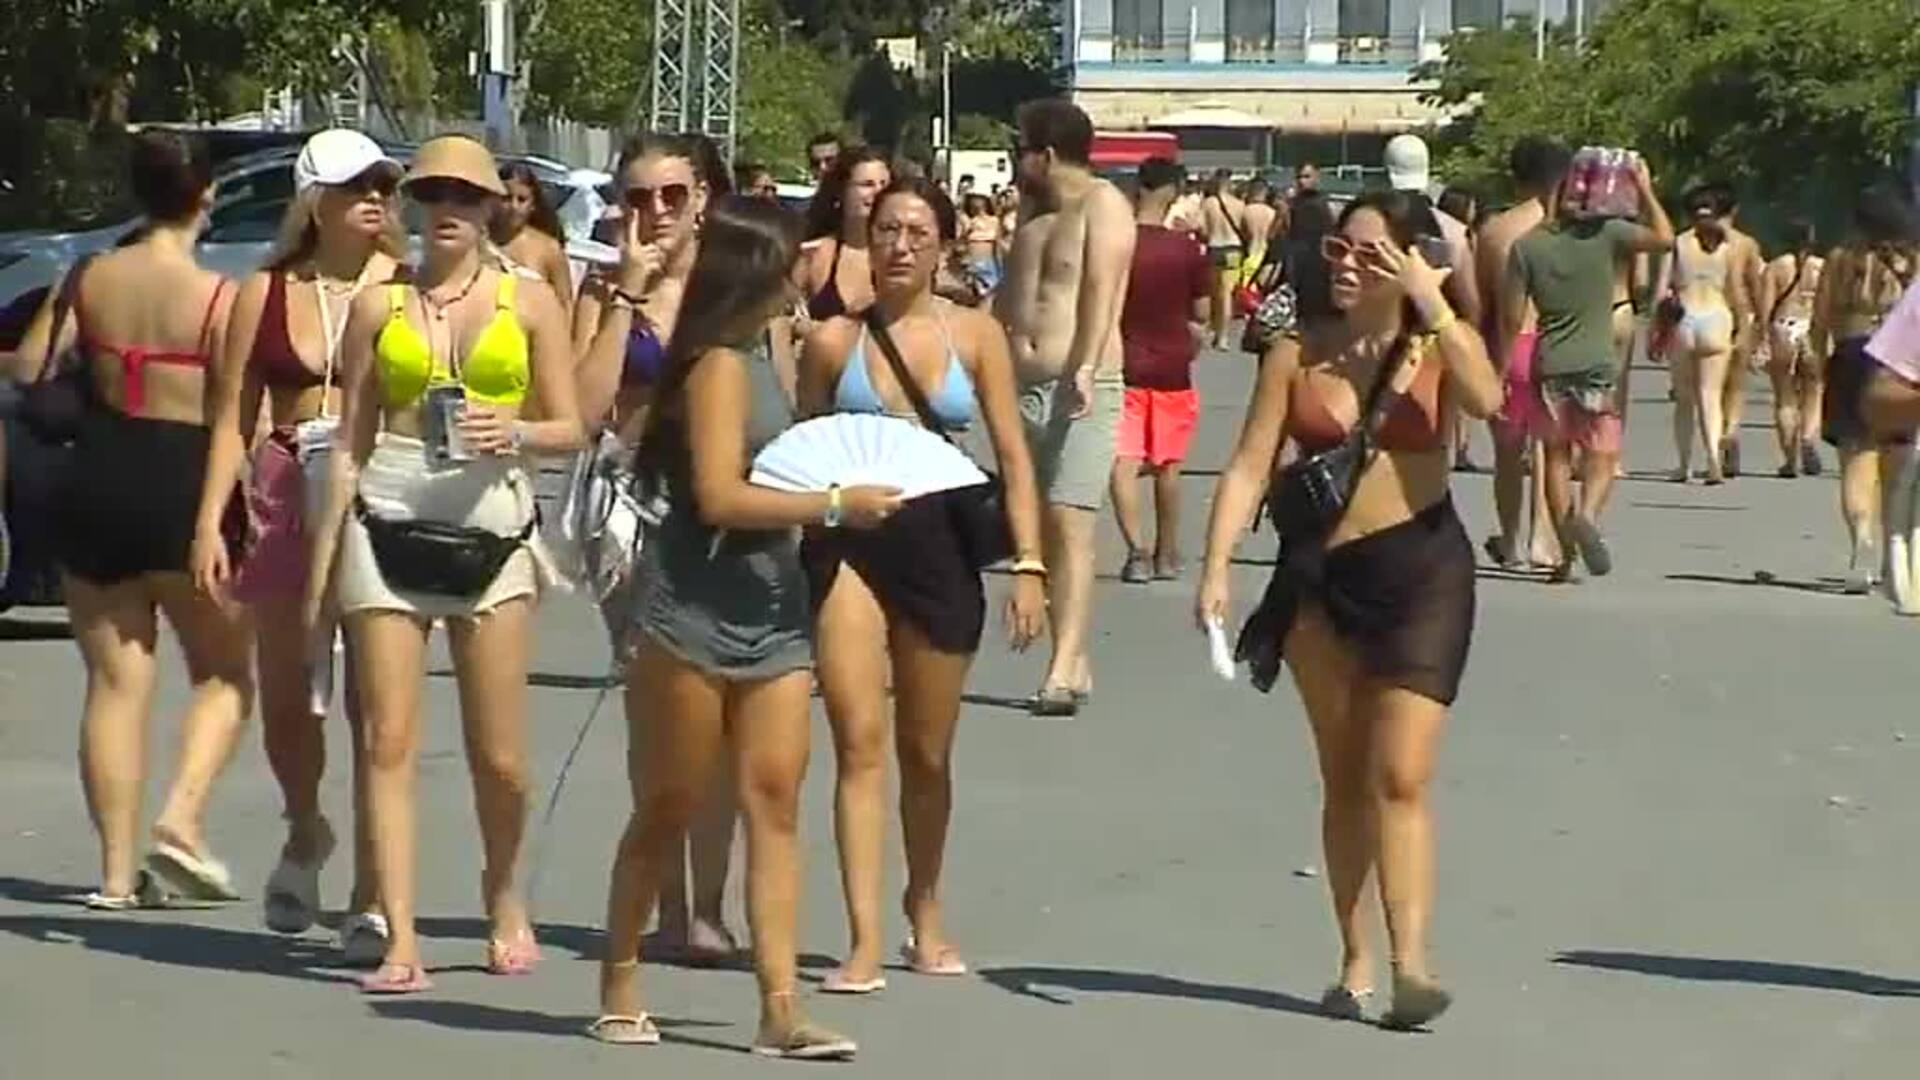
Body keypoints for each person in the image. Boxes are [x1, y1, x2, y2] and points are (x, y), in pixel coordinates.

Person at [589, 195, 901, 1056]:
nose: (806, 270)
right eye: (793, 257)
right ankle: (620, 980)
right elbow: (721, 495)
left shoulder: (768, 352)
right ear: (760, 266)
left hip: (773, 609)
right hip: (691, 610)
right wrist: (834, 505)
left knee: (774, 803)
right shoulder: (719, 365)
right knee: (670, 802)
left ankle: (779, 1008)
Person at [1196, 190, 1503, 1030]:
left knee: (1401, 775)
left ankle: (1412, 965)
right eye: (1339, 248)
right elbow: (1250, 461)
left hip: (1423, 573)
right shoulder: (1298, 349)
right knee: (1345, 777)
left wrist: (1434, 301)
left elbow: (1488, 400)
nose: (1347, 265)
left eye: (1371, 253)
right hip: (1321, 580)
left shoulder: (1435, 343)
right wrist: (1216, 566)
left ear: (1409, 260)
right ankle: (1355, 954)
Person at [303, 134, 586, 993]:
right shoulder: (378, 305)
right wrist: (322, 568)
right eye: (431, 195)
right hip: (386, 506)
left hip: (491, 518)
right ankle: (399, 935)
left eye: (465, 196)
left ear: (494, 205)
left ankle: (504, 897)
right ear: (412, 206)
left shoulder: (528, 300)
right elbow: (349, 440)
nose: (448, 210)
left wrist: (519, 430)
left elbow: (573, 426)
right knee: (386, 740)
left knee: (499, 755)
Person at [797, 176, 1046, 995]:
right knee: (858, 741)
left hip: (941, 543)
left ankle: (924, 905)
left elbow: (1013, 455)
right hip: (853, 543)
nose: (900, 246)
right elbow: (802, 451)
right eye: (886, 230)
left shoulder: (974, 334)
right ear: (866, 240)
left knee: (926, 753)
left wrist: (1030, 565)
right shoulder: (833, 341)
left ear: (943, 244)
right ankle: (864, 938)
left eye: (917, 232)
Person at [12, 130, 252, 908]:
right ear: (207, 195)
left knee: (114, 684)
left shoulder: (89, 277)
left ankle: (115, 876)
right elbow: (232, 416)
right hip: (183, 481)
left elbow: (30, 367)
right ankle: (179, 818)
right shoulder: (218, 298)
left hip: (98, 475)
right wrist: (216, 520)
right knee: (223, 672)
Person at [191, 128, 403, 956]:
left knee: (376, 700)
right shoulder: (268, 290)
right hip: (284, 483)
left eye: (383, 185)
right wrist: (210, 517)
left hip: (378, 483)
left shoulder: (406, 285)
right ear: (316, 202)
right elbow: (229, 416)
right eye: (356, 186)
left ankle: (374, 889)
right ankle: (306, 825)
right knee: (287, 693)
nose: (374, 198)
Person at [574, 131, 747, 962]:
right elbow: (582, 407)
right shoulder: (605, 285)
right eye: (638, 198)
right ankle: (670, 903)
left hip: (723, 505)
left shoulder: (737, 283)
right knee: (657, 712)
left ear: (703, 198)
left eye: (673, 195)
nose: (656, 213)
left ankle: (708, 902)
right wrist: (627, 296)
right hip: (632, 509)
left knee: (723, 715)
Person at [997, 98, 1135, 716]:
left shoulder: (1103, 205)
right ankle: (1073, 655)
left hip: (1081, 383)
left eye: (1020, 148)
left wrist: (1085, 363)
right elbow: (1009, 296)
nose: (1014, 159)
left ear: (1046, 154)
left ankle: (1061, 667)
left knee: (1071, 517)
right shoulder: (1032, 212)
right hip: (1022, 385)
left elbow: (1102, 289)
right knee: (1042, 525)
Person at [1505, 153, 1674, 581]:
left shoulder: (1526, 247)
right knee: (1604, 450)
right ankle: (1588, 516)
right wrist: (1645, 188)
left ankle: (1564, 557)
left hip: (1550, 363)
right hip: (1596, 364)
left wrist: (1502, 365)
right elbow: (1665, 239)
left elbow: (1511, 318)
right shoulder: (1607, 235)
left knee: (1555, 457)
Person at [1810, 187, 1919, 593]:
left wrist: (1819, 362)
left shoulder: (1839, 259)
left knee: (1855, 457)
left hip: (1850, 354)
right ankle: (1894, 555)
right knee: (1896, 465)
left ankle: (1861, 541)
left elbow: (1821, 319)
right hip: (1895, 359)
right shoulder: (1909, 258)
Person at [1110, 157, 1209, 582]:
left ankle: (1137, 552)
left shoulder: (1118, 244)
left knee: (1124, 461)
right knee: (1168, 464)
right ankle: (1167, 553)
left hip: (1123, 362)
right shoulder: (1187, 249)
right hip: (1173, 365)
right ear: (1172, 192)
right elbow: (1200, 313)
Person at [1476, 137, 1571, 570]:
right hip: (1556, 342)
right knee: (1551, 450)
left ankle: (1511, 540)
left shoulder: (1495, 231)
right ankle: (1542, 537)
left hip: (1509, 344)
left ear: (1515, 177)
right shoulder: (1570, 230)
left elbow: (1483, 302)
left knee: (1507, 452)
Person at [1659, 184, 1751, 484]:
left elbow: (1661, 292)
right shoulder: (1728, 247)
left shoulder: (1678, 243)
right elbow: (1736, 292)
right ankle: (1713, 458)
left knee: (1684, 399)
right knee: (1711, 395)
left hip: (1685, 319)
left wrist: (1655, 332)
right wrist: (1744, 328)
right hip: (1716, 318)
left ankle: (1683, 464)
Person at [1762, 221, 1826, 477]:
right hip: (1811, 327)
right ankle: (1808, 437)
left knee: (1784, 397)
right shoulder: (1822, 268)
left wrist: (1761, 339)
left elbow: (1766, 309)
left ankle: (1789, 460)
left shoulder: (1775, 268)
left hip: (1784, 327)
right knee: (1815, 390)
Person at [804, 146, 892, 323]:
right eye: (867, 184)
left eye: (884, 185)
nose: (878, 192)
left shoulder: (902, 253)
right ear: (841, 191)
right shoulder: (813, 254)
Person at [1719, 189, 1770, 477]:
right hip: (1741, 314)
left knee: (1710, 385)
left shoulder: (1692, 241)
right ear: (1734, 210)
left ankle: (1715, 436)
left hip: (1708, 312)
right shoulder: (1746, 244)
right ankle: (1731, 430)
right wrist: (1762, 321)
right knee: (1736, 384)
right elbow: (1755, 284)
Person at [493, 161, 575, 309]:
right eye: (506, 198)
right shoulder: (479, 242)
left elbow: (565, 304)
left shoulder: (549, 250)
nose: (514, 206)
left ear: (533, 205)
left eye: (522, 200)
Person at [1200, 168, 1247, 349]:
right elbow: (1244, 229)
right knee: (1227, 293)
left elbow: (1202, 228)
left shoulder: (1208, 203)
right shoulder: (1239, 204)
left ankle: (1213, 329)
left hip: (1215, 248)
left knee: (1214, 292)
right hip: (1233, 249)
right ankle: (1224, 337)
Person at [959, 193, 1003, 296]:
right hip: (974, 257)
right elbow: (961, 239)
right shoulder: (969, 221)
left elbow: (998, 242)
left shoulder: (994, 220)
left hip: (988, 257)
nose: (976, 203)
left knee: (989, 288)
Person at [1239, 179, 1279, 290]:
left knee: (1246, 293)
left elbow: (1243, 235)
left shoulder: (1245, 212)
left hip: (1250, 256)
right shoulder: (1273, 213)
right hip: (1267, 258)